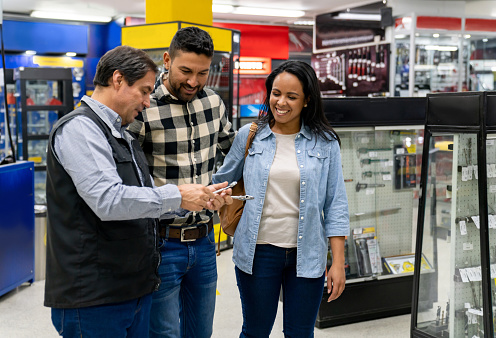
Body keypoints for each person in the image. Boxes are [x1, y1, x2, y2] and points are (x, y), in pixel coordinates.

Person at [44, 45, 231, 338]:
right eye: (144, 91)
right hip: (94, 295)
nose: (147, 101)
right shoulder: (80, 129)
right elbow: (108, 199)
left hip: (130, 286)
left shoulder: (119, 132)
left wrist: (196, 197)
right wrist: (179, 196)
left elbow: (137, 200)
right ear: (118, 80)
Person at [212, 60, 350, 337]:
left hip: (307, 253)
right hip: (257, 252)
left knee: (300, 333)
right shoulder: (250, 136)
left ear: (307, 100)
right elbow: (220, 182)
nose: (281, 102)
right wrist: (221, 195)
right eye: (276, 93)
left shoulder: (325, 143)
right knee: (256, 331)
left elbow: (336, 204)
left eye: (291, 96)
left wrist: (337, 263)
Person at [128, 27, 236, 337]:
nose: (193, 81)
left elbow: (233, 155)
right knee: (164, 334)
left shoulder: (214, 103)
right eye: (185, 71)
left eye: (202, 73)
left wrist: (224, 189)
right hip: (160, 243)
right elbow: (127, 176)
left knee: (200, 332)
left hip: (203, 243)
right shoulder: (144, 108)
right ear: (167, 60)